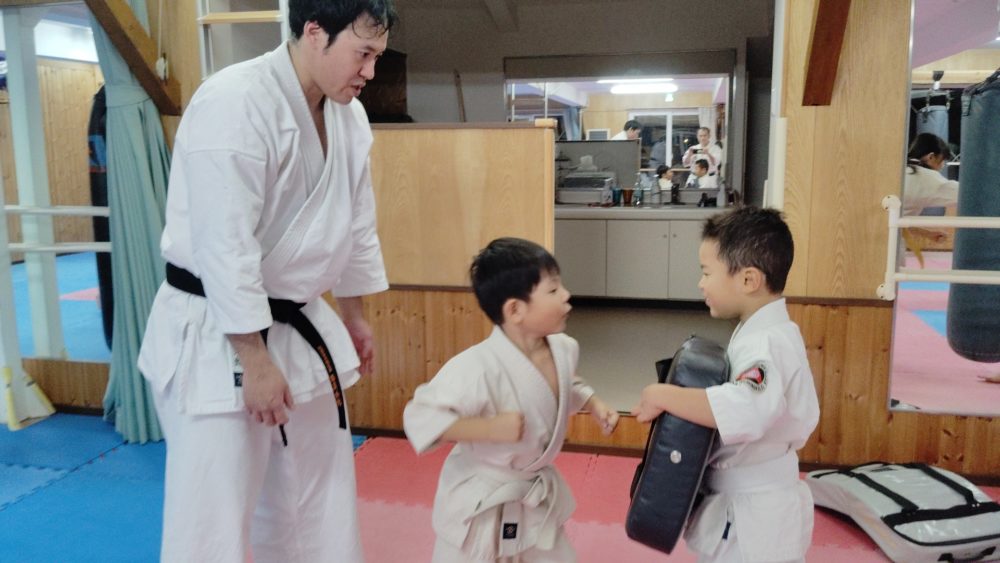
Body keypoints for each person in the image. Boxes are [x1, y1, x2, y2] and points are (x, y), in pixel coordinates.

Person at [136, 1, 397, 561]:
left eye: (377, 55)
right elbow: (223, 245)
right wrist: (252, 360)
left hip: (299, 327)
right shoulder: (234, 102)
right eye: (363, 54)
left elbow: (356, 221)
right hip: (219, 334)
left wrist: (354, 316)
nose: (370, 71)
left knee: (317, 498)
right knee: (214, 516)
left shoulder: (349, 116)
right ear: (314, 32)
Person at [403, 237, 620, 562]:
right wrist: (488, 429)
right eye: (553, 290)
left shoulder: (564, 348)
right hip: (483, 500)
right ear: (515, 310)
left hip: (533, 496)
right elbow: (420, 418)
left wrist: (592, 403)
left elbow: (565, 386)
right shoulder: (476, 367)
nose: (566, 295)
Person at [632, 207, 820, 563]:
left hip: (756, 516)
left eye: (707, 272)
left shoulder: (766, 343)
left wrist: (665, 395)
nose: (701, 283)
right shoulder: (765, 332)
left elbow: (746, 409)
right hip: (749, 504)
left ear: (748, 280)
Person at [901, 133, 960, 261]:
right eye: (942, 161)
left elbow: (898, 217)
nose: (942, 166)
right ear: (931, 157)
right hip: (885, 243)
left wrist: (927, 233)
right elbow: (965, 195)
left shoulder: (900, 169)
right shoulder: (926, 177)